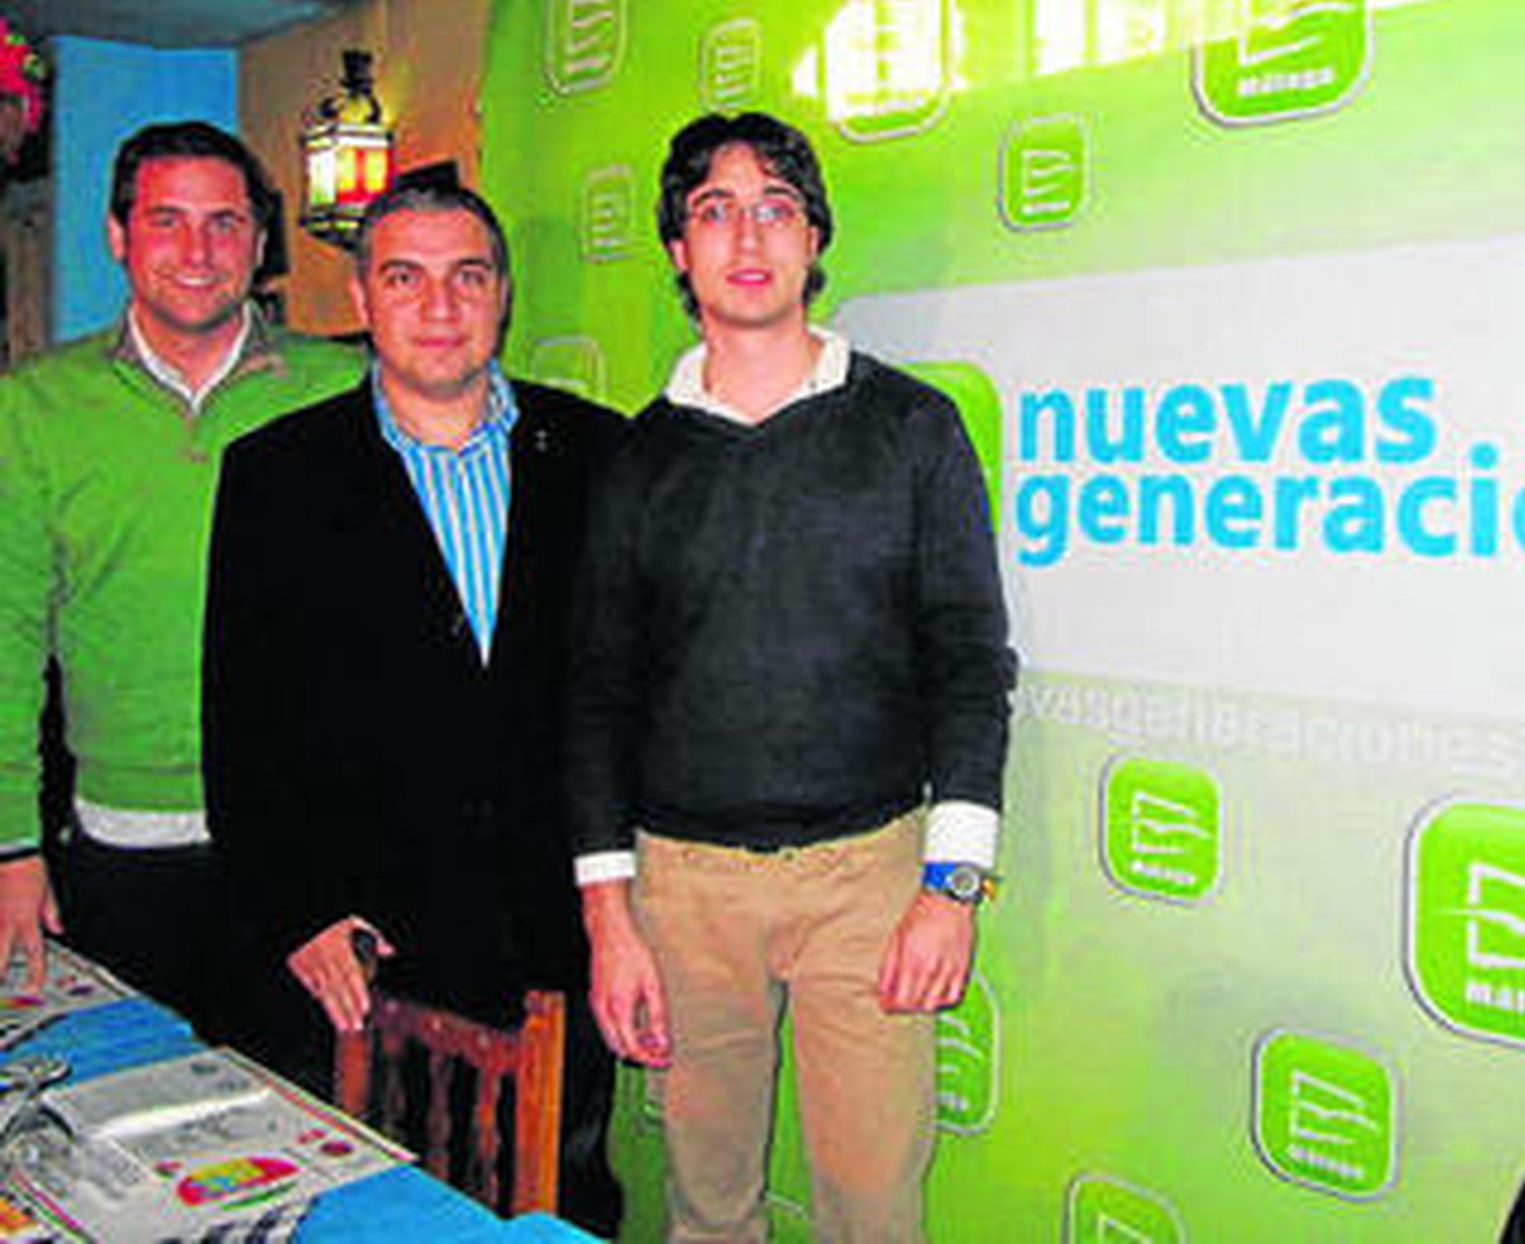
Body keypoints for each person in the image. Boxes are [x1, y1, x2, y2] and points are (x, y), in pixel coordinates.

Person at [568, 111, 1015, 1243]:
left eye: (775, 207)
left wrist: (951, 885)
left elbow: (969, 658)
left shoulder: (913, 429)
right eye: (714, 211)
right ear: (678, 249)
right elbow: (596, 693)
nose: (748, 235)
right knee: (707, 1206)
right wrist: (609, 917)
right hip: (685, 893)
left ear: (814, 237)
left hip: (870, 882)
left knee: (874, 1209)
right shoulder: (635, 460)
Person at [203, 182, 625, 1234]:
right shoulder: (275, 476)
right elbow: (242, 722)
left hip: (561, 933)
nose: (440, 306)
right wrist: (297, 908)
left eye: (467, 276)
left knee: (563, 1205)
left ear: (503, 294)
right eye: (405, 278)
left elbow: (640, 692)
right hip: (366, 947)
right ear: (362, 298)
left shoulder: (600, 454)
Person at [0, 120, 360, 1021]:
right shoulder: (34, 408)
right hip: (120, 854)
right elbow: (5, 636)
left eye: (225, 223)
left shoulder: (343, 386)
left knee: (307, 1099)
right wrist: (10, 847)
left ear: (261, 241)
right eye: (167, 221)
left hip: (311, 852)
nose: (199, 252)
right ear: (118, 236)